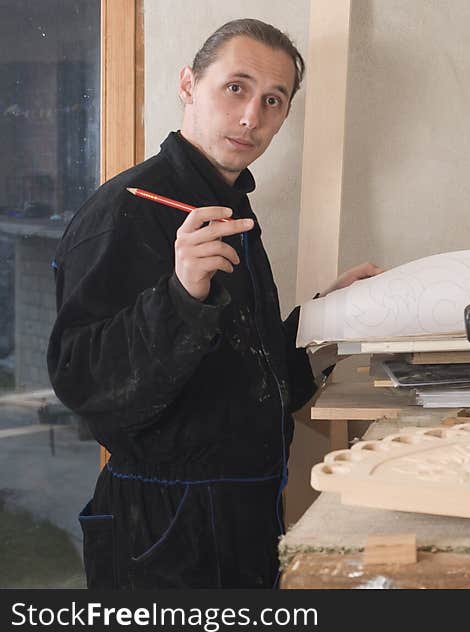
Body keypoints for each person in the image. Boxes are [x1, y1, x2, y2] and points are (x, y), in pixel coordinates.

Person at [47, 18, 380, 589]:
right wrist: (181, 295)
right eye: (236, 87)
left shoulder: (228, 210)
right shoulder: (124, 211)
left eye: (273, 100)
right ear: (187, 84)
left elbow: (250, 378)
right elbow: (83, 383)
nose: (253, 116)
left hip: (246, 517)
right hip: (163, 533)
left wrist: (326, 321)